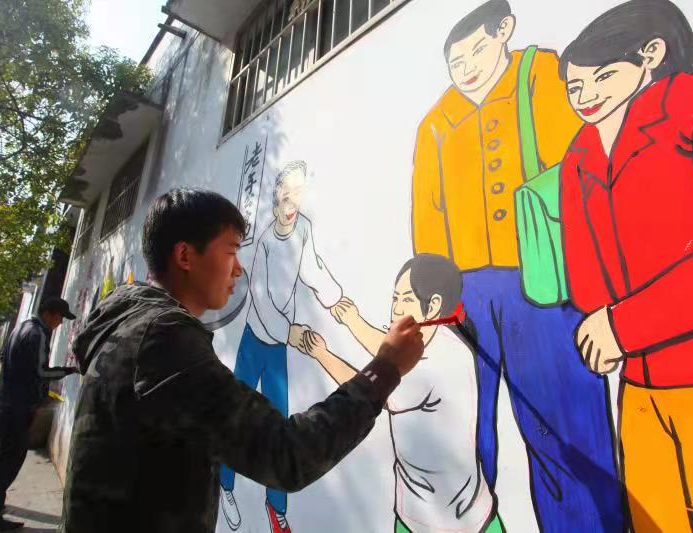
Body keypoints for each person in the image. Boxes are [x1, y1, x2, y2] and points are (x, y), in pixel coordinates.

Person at [59, 188, 425, 533]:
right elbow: (286, 454)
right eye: (231, 251)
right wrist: (385, 368)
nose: (238, 269)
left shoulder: (131, 321)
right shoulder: (163, 339)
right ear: (185, 256)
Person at [410, 1, 623, 530]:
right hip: (464, 295)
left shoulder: (541, 75)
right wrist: (433, 306)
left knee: (564, 425)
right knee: (463, 428)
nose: (468, 69)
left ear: (504, 30)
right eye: (457, 62)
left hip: (545, 280)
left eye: (477, 51)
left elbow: (583, 166)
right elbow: (428, 220)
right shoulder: (436, 123)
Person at [559, 1, 693, 530]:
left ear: (651, 54)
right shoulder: (582, 153)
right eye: (575, 87)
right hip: (640, 384)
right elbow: (588, 286)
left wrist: (624, 325)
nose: (586, 96)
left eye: (603, 77)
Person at [303, 254, 501, 533]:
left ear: (433, 306)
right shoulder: (434, 339)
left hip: (463, 523)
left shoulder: (443, 359)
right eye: (394, 298)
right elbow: (389, 350)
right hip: (414, 516)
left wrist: (321, 353)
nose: (395, 308)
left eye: (405, 300)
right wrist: (351, 320)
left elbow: (372, 389)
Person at [219, 160, 344, 533]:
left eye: (298, 193)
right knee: (234, 419)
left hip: (278, 347)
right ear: (276, 195)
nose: (292, 202)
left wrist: (335, 300)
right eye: (286, 193)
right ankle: (224, 484)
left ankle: (276, 507)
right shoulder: (264, 243)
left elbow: (312, 268)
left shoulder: (303, 228)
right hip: (256, 339)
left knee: (280, 425)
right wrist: (291, 333)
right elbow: (260, 301)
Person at [0, 297, 78, 532]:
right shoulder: (37, 334)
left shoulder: (21, 328)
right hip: (17, 408)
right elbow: (41, 372)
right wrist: (68, 370)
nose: (60, 323)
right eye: (60, 318)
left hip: (4, 403)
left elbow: (5, 359)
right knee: (6, 463)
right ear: (49, 313)